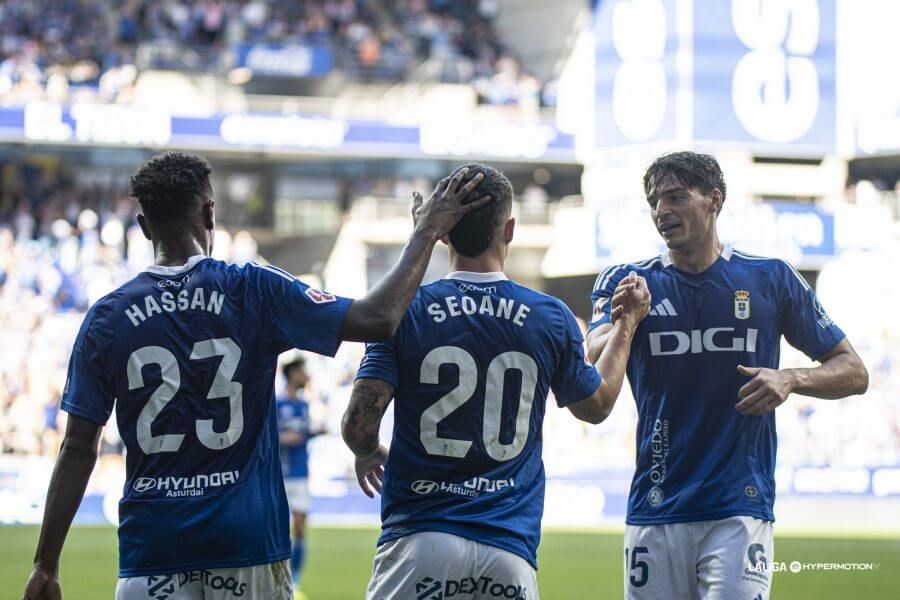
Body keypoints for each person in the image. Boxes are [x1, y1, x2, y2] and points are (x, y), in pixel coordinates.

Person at [22, 152, 491, 600]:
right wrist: (426, 233)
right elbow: (377, 320)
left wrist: (46, 564)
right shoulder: (254, 287)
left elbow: (78, 447)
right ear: (209, 214)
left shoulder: (107, 317)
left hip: (153, 553)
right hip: (245, 544)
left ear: (143, 226)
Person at [341, 163, 650, 599]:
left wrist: (368, 451)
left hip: (419, 540)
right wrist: (626, 326)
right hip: (506, 550)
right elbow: (597, 406)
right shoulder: (549, 316)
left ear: (443, 233)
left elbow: (358, 427)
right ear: (509, 230)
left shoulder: (402, 312)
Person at [585, 151, 869, 600]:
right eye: (655, 201)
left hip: (740, 507)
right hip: (655, 506)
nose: (662, 211)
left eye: (676, 197)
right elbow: (591, 359)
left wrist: (790, 378)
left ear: (714, 200)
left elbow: (853, 370)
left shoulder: (769, 278)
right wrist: (629, 319)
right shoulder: (627, 281)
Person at [275, 355, 321, 597]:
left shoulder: (304, 405)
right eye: (302, 369)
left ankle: (295, 579)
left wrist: (315, 432)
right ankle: (279, 577)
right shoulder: (277, 403)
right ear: (292, 373)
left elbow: (303, 434)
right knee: (280, 530)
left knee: (301, 528)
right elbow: (266, 438)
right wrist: (284, 438)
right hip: (281, 475)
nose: (306, 374)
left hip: (301, 473)